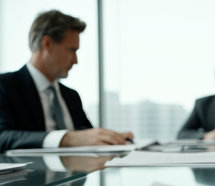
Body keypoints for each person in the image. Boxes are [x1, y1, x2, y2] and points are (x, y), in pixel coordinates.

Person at [0, 10, 134, 153]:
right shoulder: (5, 86)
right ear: (47, 44)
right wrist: (66, 139)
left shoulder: (71, 96)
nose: (76, 61)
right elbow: (3, 137)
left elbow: (86, 136)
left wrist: (111, 138)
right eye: (72, 50)